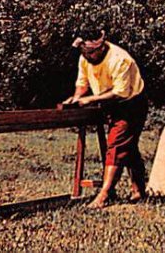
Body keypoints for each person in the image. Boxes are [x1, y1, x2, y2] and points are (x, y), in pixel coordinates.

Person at [63, 28, 148, 209]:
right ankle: (139, 190)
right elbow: (82, 83)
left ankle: (105, 194)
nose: (88, 56)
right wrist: (76, 98)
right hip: (110, 104)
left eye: (91, 52)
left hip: (131, 103)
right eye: (84, 52)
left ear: (101, 47)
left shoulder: (119, 59)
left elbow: (120, 93)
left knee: (116, 146)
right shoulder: (84, 58)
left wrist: (91, 99)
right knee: (128, 147)